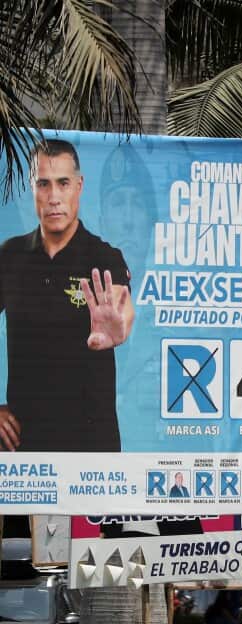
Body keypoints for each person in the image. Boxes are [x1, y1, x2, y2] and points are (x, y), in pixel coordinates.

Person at [0, 139, 135, 452]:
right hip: (25, 451)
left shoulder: (104, 257)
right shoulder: (9, 256)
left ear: (79, 186)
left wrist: (119, 329)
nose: (54, 198)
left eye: (63, 183)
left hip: (91, 448)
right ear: (31, 189)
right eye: (43, 184)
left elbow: (122, 310)